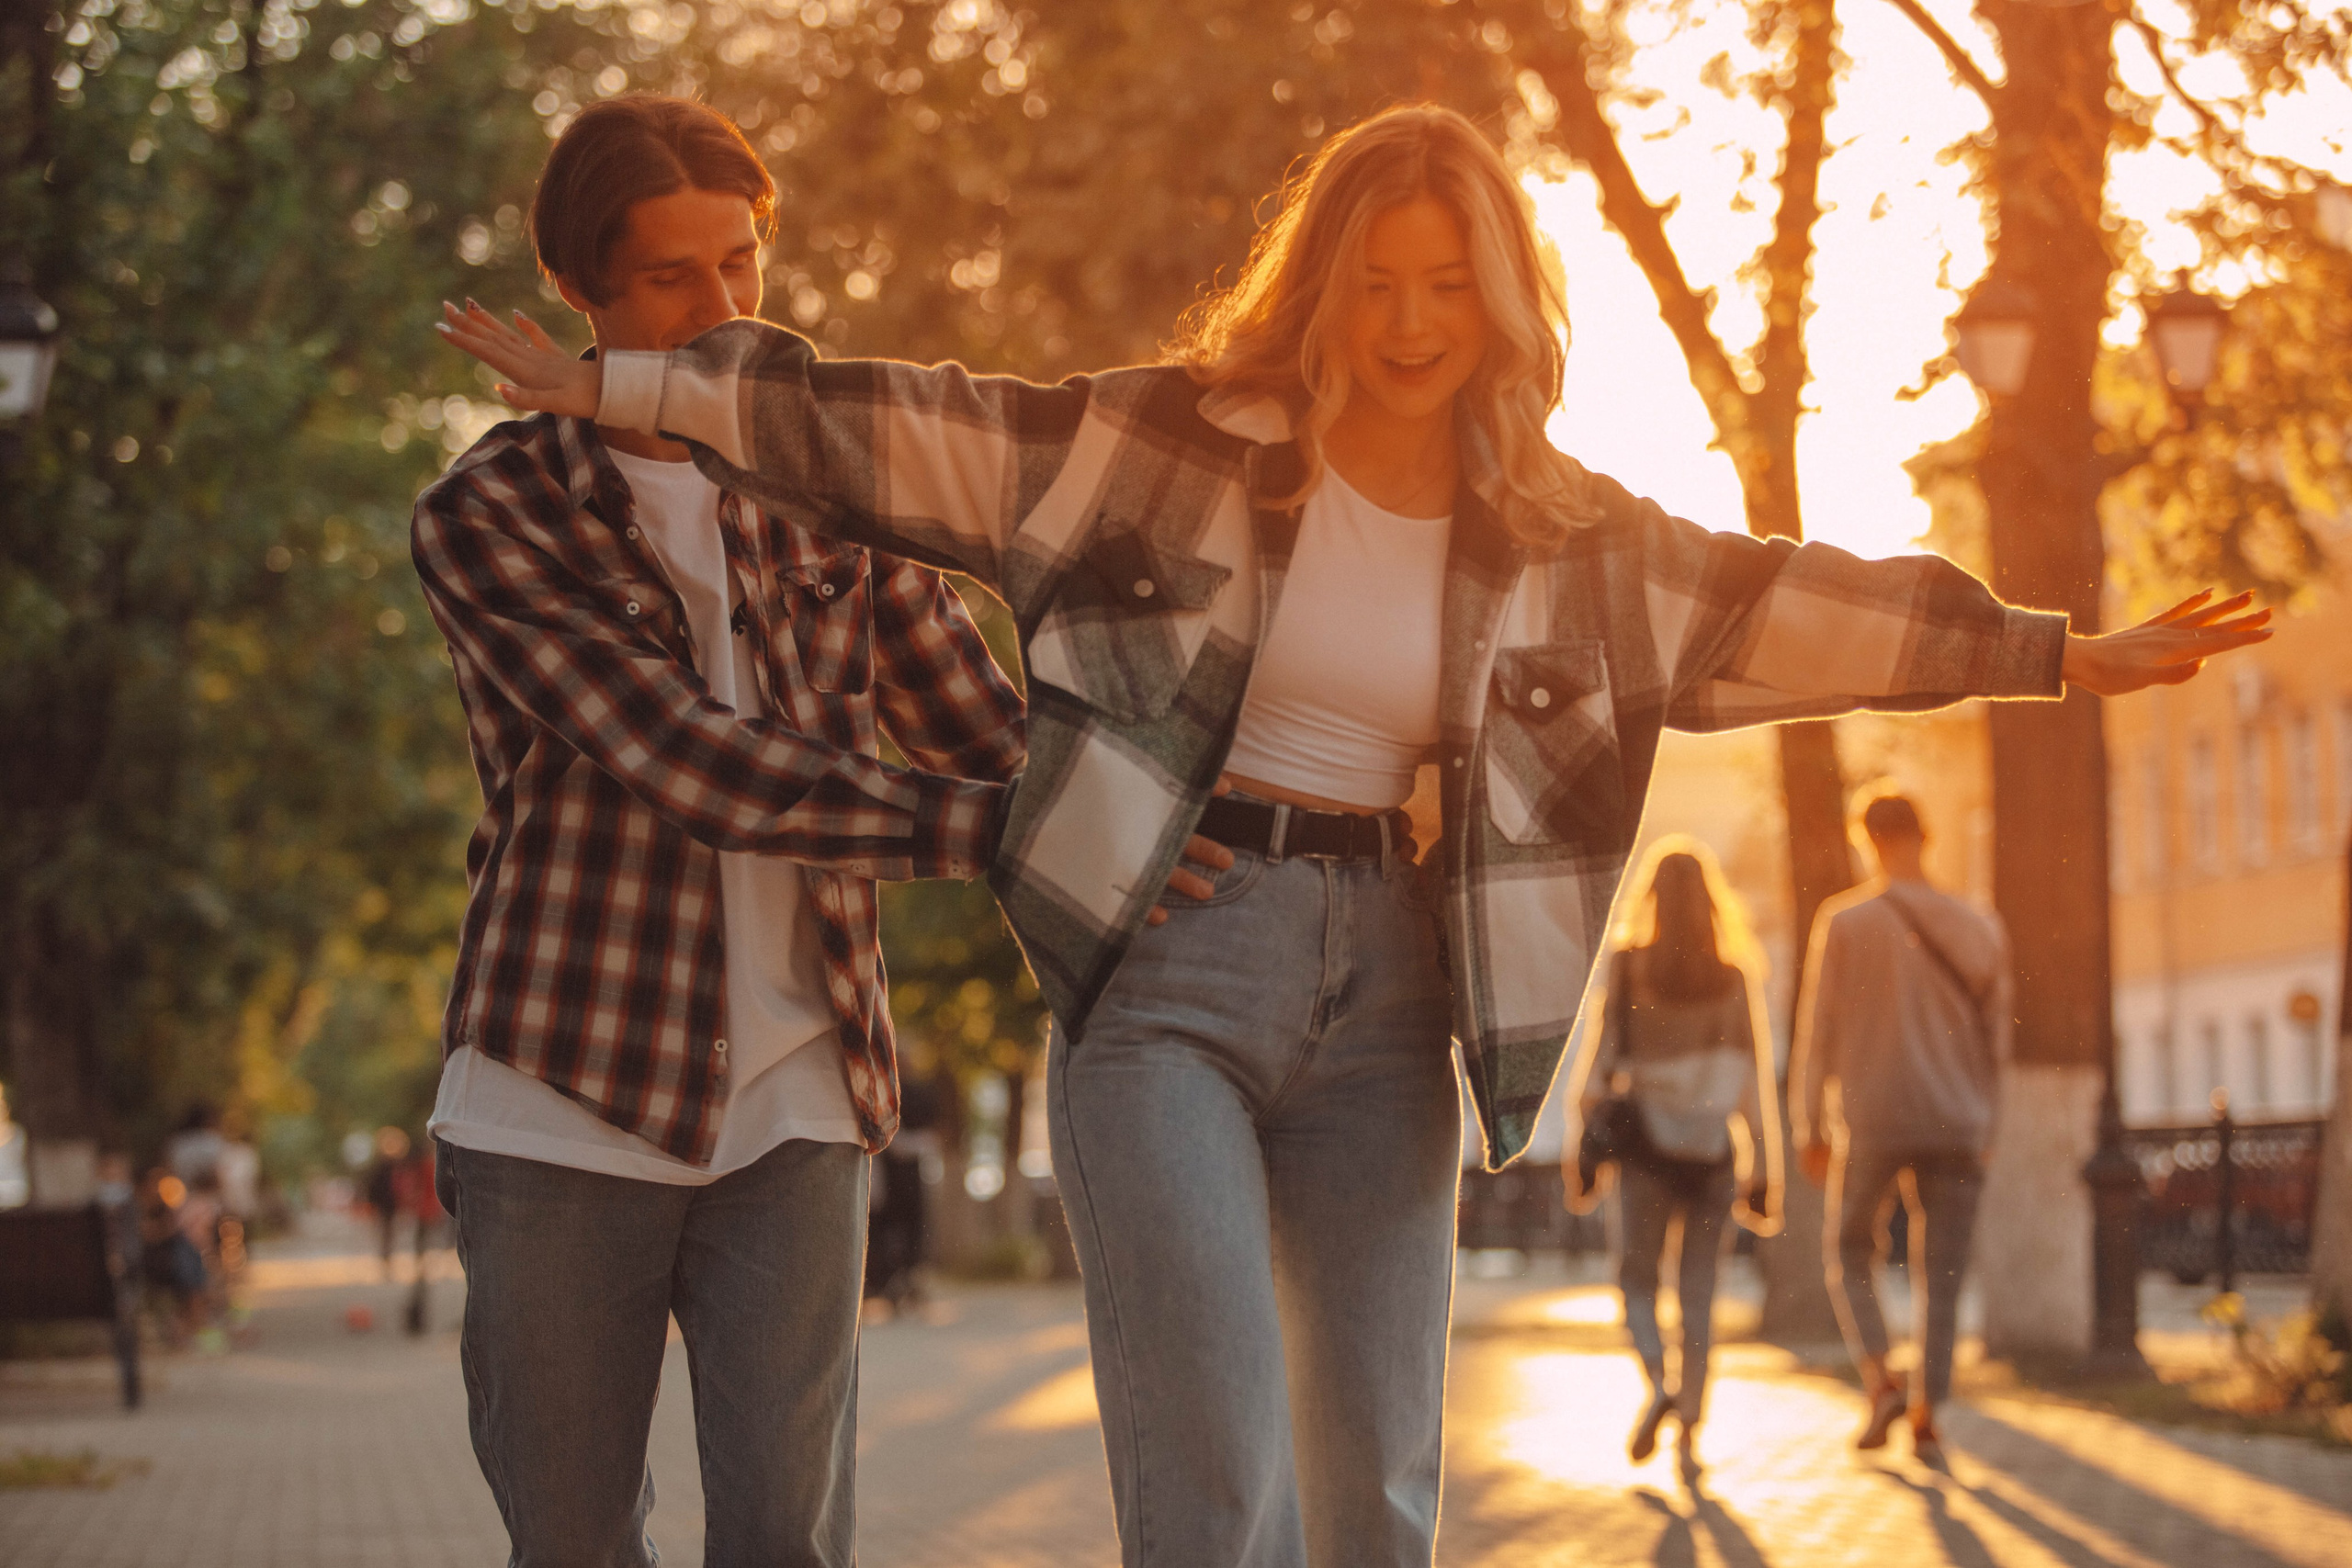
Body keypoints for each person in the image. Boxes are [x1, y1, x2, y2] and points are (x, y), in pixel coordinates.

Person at [444, 101, 2267, 1568]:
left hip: (1393, 981)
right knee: (1218, 1462)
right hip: (1172, 965)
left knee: (1382, 1481)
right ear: (1319, 285)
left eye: (1445, 286)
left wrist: (2048, 652)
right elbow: (914, 431)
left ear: (1499, 300)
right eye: (1375, 282)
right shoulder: (1168, 448)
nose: (1406, 324)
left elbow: (1780, 600)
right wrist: (623, 390)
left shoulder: (1559, 529)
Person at [412, 96, 1025, 1567]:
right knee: (572, 1541)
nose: (724, 307)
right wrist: (1014, 833)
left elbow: (988, 733)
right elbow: (694, 764)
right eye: (671, 276)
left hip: (801, 1099)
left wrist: (1147, 818)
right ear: (579, 287)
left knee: (785, 1542)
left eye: (742, 261)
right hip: (566, 1091)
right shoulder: (489, 512)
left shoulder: (832, 497)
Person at [1793, 789, 2007, 1466]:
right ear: (1927, 836)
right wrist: (1990, 1124)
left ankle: (1882, 1380)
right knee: (1941, 1273)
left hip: (1873, 1118)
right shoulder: (1978, 925)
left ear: (1867, 839)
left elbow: (1818, 1029)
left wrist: (1809, 1123)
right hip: (1959, 1121)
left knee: (1849, 1248)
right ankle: (1928, 1417)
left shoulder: (1845, 922)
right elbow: (1997, 1042)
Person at [1572, 838, 1779, 1472]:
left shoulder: (1628, 968)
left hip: (1646, 1155)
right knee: (1699, 1291)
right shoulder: (1735, 978)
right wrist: (1764, 1168)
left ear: (1653, 899)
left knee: (1636, 1277)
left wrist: (1584, 1139)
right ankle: (1690, 1421)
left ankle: (1658, 1381)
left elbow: (1599, 1068)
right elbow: (1755, 1081)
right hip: (1714, 1155)